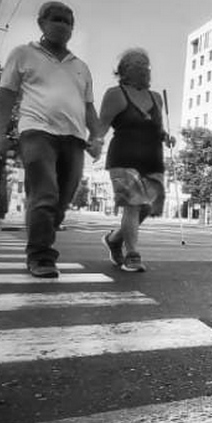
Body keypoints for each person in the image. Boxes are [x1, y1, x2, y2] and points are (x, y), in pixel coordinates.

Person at [0, 1, 97, 278]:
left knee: (62, 201)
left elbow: (89, 108)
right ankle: (40, 256)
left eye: (68, 22)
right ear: (42, 23)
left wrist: (97, 136)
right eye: (56, 19)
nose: (62, 25)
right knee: (45, 194)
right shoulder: (23, 54)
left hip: (74, 138)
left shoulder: (81, 67)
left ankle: (42, 239)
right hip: (37, 133)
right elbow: (6, 96)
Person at [87, 48, 173, 272]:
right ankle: (132, 254)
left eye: (146, 65)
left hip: (152, 157)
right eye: (138, 64)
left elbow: (157, 128)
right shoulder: (115, 94)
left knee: (148, 206)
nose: (144, 68)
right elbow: (102, 124)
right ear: (124, 70)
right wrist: (95, 142)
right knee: (133, 205)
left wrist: (166, 137)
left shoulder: (156, 98)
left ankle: (115, 239)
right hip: (124, 156)